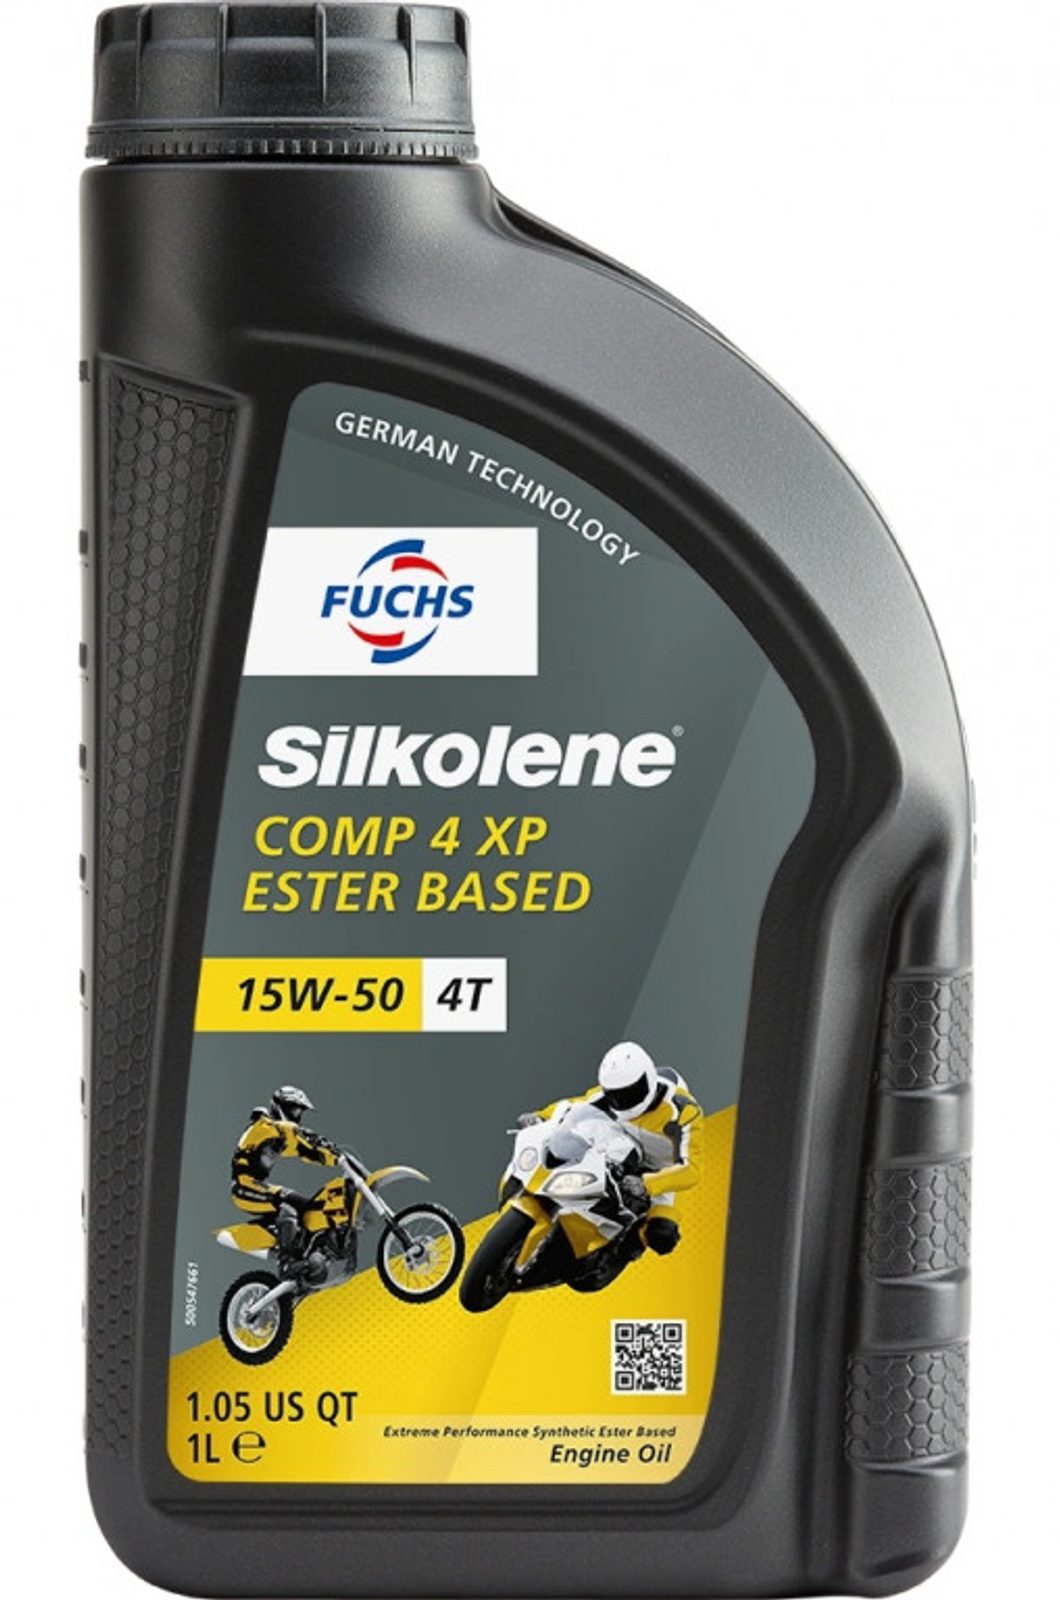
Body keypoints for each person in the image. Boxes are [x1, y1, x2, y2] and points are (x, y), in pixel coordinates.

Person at [520, 1043, 703, 1256]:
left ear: (649, 1081)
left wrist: (647, 1184)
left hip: (659, 1173)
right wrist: (540, 1116)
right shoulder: (607, 1095)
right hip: (618, 1151)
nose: (621, 1100)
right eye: (615, 1095)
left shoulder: (682, 1112)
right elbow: (576, 1105)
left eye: (630, 1093)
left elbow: (691, 1169)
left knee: (662, 1235)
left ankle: (621, 1250)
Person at [230, 1085, 339, 1267]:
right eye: (295, 1109)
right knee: (288, 1209)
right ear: (281, 1106)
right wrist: (307, 1134)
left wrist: (333, 1157)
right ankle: (288, 1262)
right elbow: (286, 1130)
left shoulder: (279, 1135)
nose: (298, 1115)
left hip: (259, 1186)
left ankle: (310, 1254)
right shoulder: (261, 1125)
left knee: (308, 1205)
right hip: (244, 1187)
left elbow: (303, 1150)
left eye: (300, 1111)